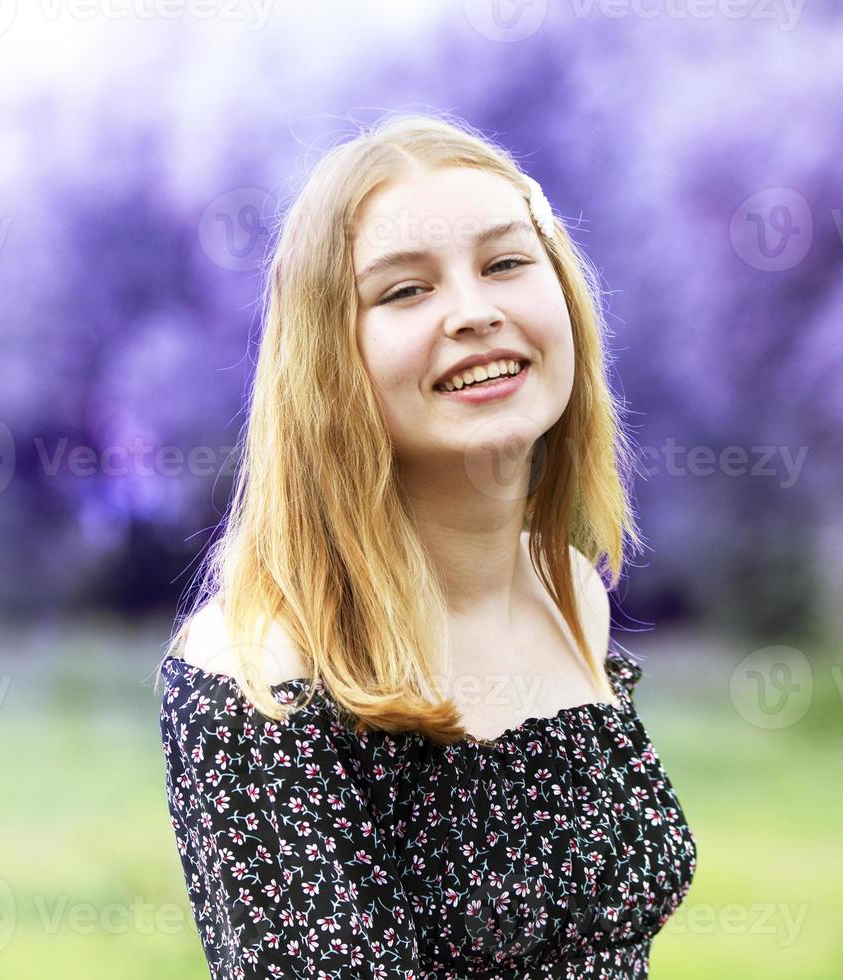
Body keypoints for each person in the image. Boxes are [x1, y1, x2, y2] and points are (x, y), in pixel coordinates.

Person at [156, 110, 697, 979]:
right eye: (405, 290)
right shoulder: (263, 673)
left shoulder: (567, 590)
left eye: (507, 263)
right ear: (330, 360)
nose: (475, 312)